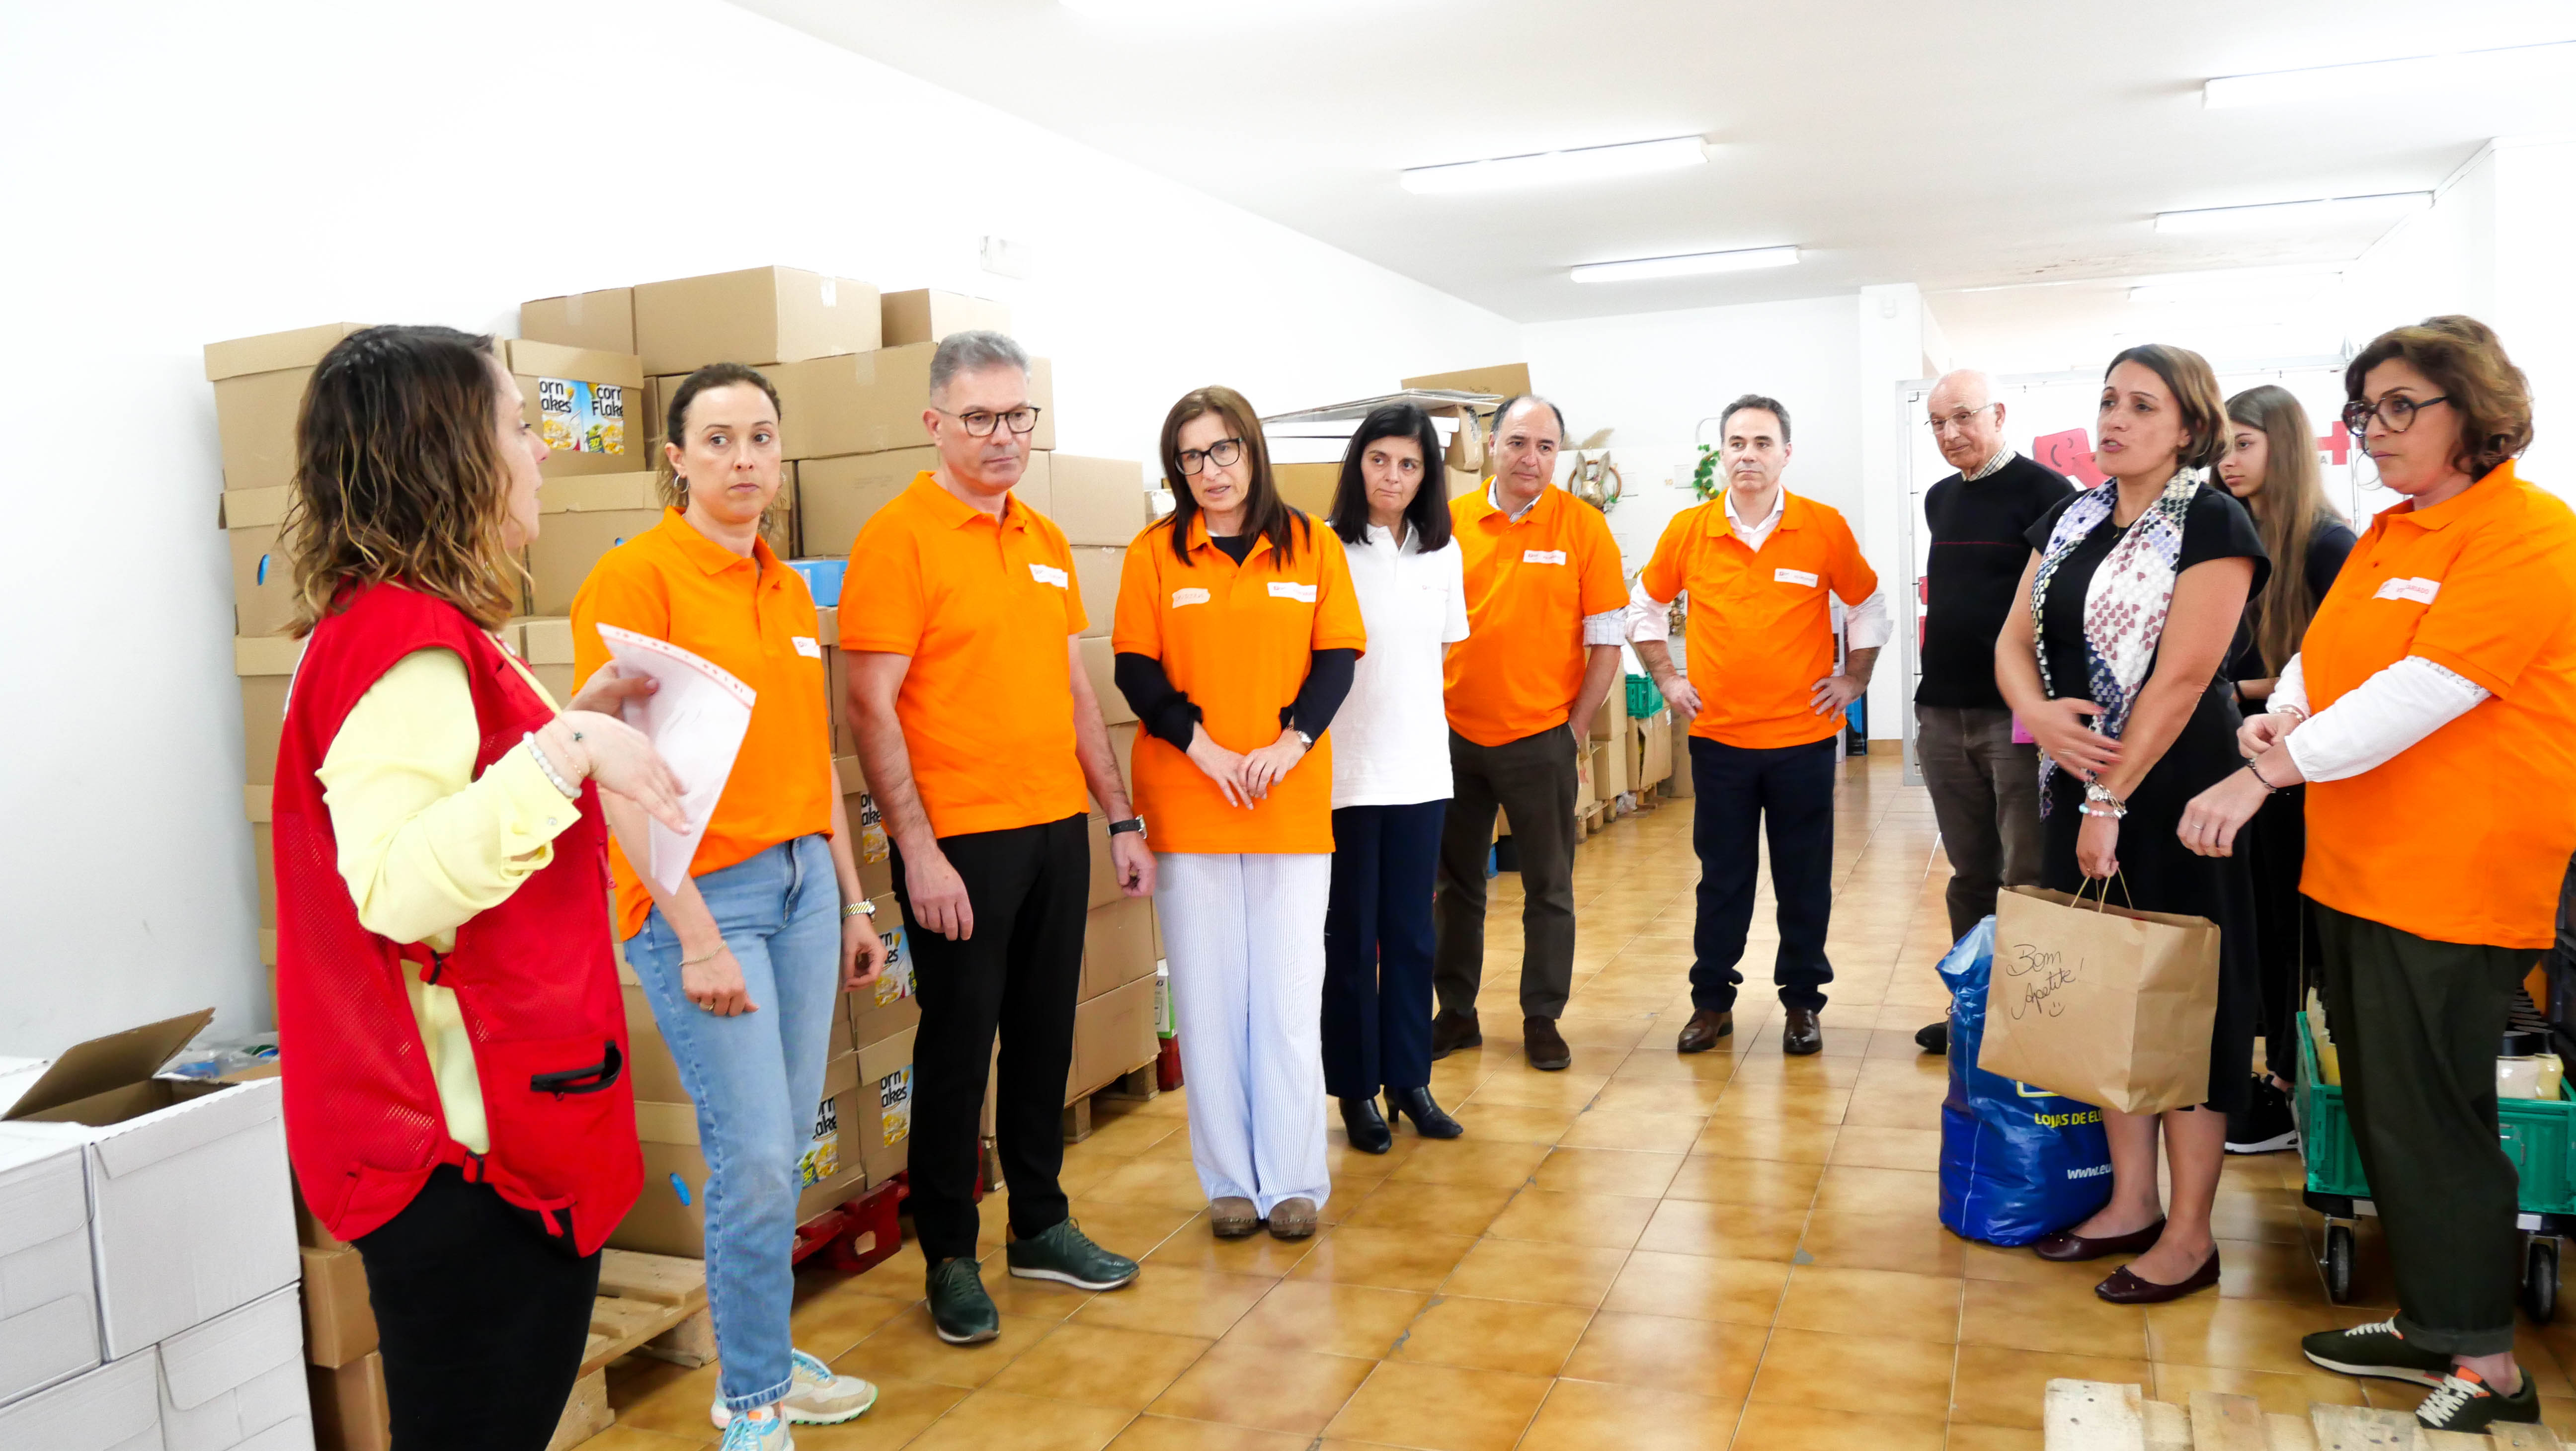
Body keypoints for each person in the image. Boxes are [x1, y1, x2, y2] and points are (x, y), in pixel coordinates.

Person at [272, 325, 689, 1450]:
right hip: (465, 1160)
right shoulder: (407, 643)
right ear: (448, 453)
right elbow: (398, 888)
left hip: (473, 1141)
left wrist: (572, 724)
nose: (541, 449)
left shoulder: (407, 625)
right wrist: (567, 752)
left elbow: (458, 794)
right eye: (518, 424)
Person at [2181, 317, 2576, 1435]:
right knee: (2386, 1106)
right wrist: (2284, 719)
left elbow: (2429, 689)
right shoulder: (2397, 532)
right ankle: (2434, 1320)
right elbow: (2327, 654)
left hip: (2451, 876)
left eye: (2403, 405)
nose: (2375, 429)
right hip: (2356, 864)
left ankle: (2487, 1363)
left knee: (2434, 1115)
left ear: (2477, 411)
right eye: (2366, 409)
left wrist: (2263, 774)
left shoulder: (2529, 534)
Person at [572, 365, 887, 1445]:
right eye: (717, 440)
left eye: (760, 437)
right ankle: (749, 1399)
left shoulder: (787, 589)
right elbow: (614, 773)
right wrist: (696, 936)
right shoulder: (636, 579)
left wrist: (853, 901)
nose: (743, 459)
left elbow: (812, 760)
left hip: (802, 885)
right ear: (677, 458)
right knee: (751, 1154)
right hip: (704, 897)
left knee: (782, 1144)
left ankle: (766, 1357)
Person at [843, 331, 1151, 1344]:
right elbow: (869, 706)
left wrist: (1117, 815)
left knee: (1044, 1037)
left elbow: (1073, 693)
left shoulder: (1045, 538)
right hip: (963, 844)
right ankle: (949, 1254)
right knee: (958, 1049)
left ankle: (1041, 1224)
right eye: (980, 417)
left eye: (1018, 415)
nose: (1003, 436)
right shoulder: (899, 539)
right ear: (935, 423)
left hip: (1055, 825)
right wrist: (919, 851)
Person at [1996, 343, 2265, 1306]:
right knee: (2110, 995)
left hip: (2180, 793)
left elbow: (2185, 678)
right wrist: (2042, 715)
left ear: (2189, 427)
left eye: (2143, 405)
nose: (2115, 419)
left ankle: (2190, 1236)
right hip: (2077, 776)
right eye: (2109, 399)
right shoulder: (2070, 518)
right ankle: (2131, 1200)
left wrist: (2109, 800)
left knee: (2189, 1007)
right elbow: (2011, 641)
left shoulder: (2213, 521)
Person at [1114, 385, 1366, 1238]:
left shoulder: (1312, 544)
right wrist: (1206, 751)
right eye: (1190, 457)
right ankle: (1227, 1179)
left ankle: (1292, 1180)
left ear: (1252, 450)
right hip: (1190, 803)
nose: (1210, 470)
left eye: (1223, 449)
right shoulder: (1155, 553)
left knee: (1290, 997)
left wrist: (1292, 744)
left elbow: (1337, 658)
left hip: (1289, 806)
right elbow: (1136, 671)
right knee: (1210, 1002)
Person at [1631, 395, 1889, 1057]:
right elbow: (1643, 607)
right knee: (1723, 880)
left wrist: (1855, 679)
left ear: (1786, 453)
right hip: (1720, 742)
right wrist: (1667, 678)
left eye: (1763, 443)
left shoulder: (1822, 526)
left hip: (1803, 741)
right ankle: (1711, 1003)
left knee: (1804, 880)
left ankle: (1802, 1004)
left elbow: (1867, 604)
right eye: (1737, 443)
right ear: (1723, 453)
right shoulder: (1689, 530)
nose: (1749, 455)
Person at [1432, 396, 1627, 1071]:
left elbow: (1607, 640)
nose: (1531, 459)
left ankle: (1542, 1017)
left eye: (1546, 447)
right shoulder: (1448, 524)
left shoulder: (1584, 527)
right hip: (1453, 737)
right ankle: (1456, 1013)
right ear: (1491, 445)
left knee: (1549, 887)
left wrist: (1574, 730)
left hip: (1541, 738)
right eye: (1518, 442)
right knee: (1456, 886)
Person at [1319, 404, 1471, 1153]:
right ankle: (1356, 1091)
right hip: (1345, 775)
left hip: (1420, 772)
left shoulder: (1443, 552)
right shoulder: (1325, 547)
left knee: (1412, 936)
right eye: (1379, 459)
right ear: (1358, 464)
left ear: (1426, 475)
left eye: (1409, 464)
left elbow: (1439, 655)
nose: (1393, 476)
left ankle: (1411, 1081)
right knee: (1351, 938)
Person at [1910, 370, 2075, 1055]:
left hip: (2015, 717)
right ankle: (1972, 1012)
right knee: (1970, 874)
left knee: (2026, 876)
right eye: (1937, 423)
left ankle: (2028, 1024)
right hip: (1942, 715)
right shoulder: (1941, 498)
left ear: (1999, 414)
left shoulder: (2049, 494)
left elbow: (2060, 607)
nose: (1950, 434)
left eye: (1963, 417)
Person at [2211, 384, 2355, 1153]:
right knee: (2260, 924)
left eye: (2245, 444)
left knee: (2296, 931)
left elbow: (2342, 670)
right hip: (2250, 754)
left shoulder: (2329, 546)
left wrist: (2239, 693)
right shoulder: (2239, 538)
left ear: (2286, 447)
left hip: (2303, 764)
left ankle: (2295, 1089)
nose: (2228, 462)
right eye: (2222, 447)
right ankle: (2279, 1078)